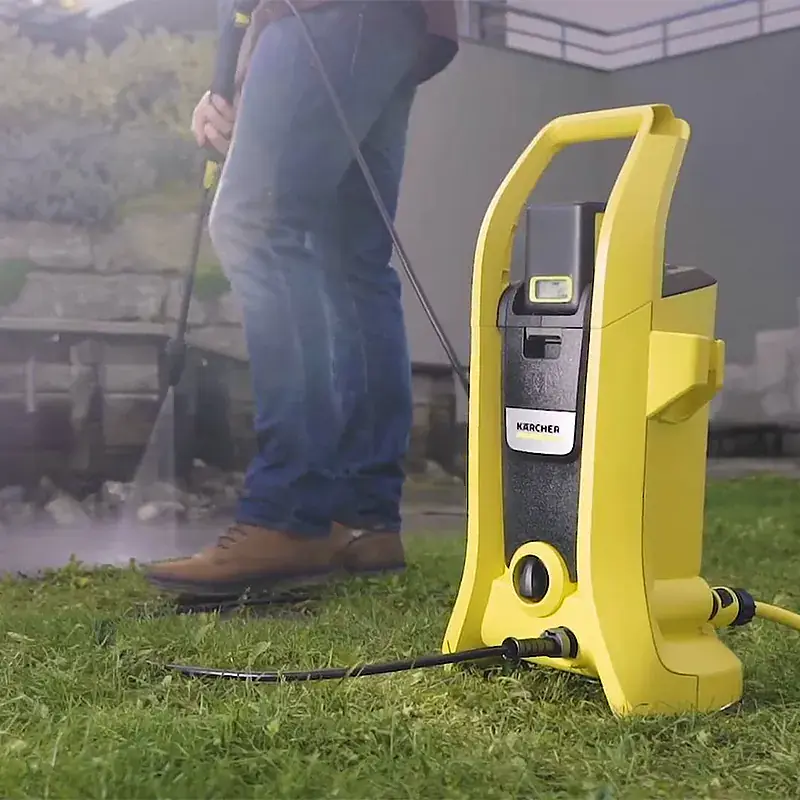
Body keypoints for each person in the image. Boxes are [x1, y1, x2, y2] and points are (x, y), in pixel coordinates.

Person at [143, 0, 459, 596]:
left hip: (321, 12)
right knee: (352, 262)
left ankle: (291, 511)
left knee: (254, 224)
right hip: (394, 22)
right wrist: (239, 79)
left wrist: (240, 76)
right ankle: (361, 517)